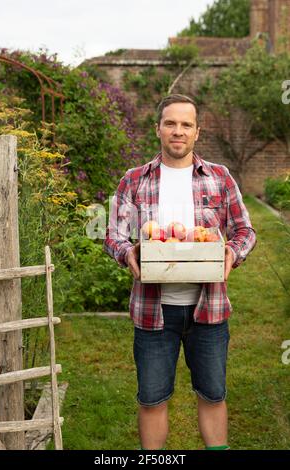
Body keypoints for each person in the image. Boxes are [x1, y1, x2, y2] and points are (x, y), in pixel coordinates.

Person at [103, 94, 257, 450]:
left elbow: (245, 231)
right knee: (152, 398)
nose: (178, 131)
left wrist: (231, 255)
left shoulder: (219, 177)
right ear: (158, 129)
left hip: (209, 310)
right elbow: (112, 235)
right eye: (170, 123)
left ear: (197, 132)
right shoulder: (134, 180)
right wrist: (128, 254)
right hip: (153, 312)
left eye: (186, 124)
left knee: (213, 394)